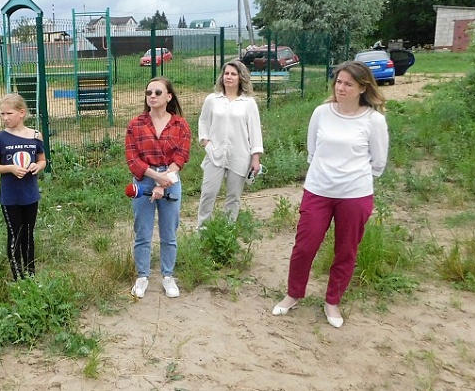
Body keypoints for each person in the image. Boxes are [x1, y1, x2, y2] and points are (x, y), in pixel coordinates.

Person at [271, 60, 389, 328]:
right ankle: (293, 294)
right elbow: (312, 150)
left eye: (348, 83)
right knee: (305, 246)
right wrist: (327, 174)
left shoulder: (374, 121)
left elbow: (378, 162)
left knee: (346, 250)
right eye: (338, 82)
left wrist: (350, 178)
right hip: (318, 190)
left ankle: (332, 301)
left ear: (362, 87)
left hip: (355, 194)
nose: (341, 88)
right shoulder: (321, 113)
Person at [125, 76, 191, 298]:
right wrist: (156, 178)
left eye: (157, 93)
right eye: (148, 93)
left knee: (168, 233)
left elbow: (182, 156)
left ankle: (168, 276)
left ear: (169, 97)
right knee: (142, 231)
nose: (152, 96)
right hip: (144, 180)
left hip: (171, 181)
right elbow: (133, 159)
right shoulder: (136, 125)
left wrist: (165, 181)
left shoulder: (180, 124)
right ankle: (142, 276)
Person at [196, 60, 263, 228]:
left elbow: (255, 131)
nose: (229, 77)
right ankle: (202, 230)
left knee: (233, 197)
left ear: (240, 78)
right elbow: (203, 122)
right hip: (215, 153)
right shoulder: (212, 100)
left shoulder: (248, 103)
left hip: (239, 155)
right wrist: (205, 141)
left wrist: (256, 158)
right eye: (226, 73)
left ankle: (227, 232)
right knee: (208, 193)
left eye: (233, 74)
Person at [0, 93, 46, 280]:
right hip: (10, 197)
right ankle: (18, 276)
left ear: (22, 113)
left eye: (8, 113)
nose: (5, 118)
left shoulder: (36, 136)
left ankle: (31, 274)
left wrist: (38, 166)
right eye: (2, 114)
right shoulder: (0, 139)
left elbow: (43, 160)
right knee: (15, 235)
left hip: (30, 195)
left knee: (29, 235)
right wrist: (10, 168)